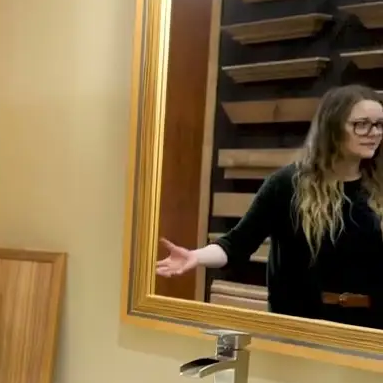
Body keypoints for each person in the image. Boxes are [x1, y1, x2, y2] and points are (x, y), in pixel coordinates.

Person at [157, 84, 383, 328]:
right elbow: (236, 244)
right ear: (333, 128)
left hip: (370, 331)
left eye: (379, 124)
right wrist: (195, 257)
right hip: (299, 327)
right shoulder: (286, 185)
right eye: (361, 124)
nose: (373, 132)